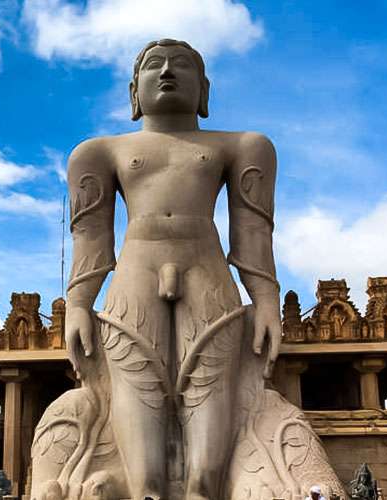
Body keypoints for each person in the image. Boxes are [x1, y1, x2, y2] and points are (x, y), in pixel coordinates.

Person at [64, 38, 281, 500]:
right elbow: (90, 236)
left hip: (205, 269)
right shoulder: (98, 152)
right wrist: (78, 304)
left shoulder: (244, 146)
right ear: (133, 92)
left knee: (210, 384)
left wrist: (267, 302)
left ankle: (205, 488)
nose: (166, 72)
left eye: (180, 65)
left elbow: (254, 232)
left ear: (204, 89)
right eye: (153, 66)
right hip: (135, 273)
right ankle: (146, 488)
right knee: (134, 383)